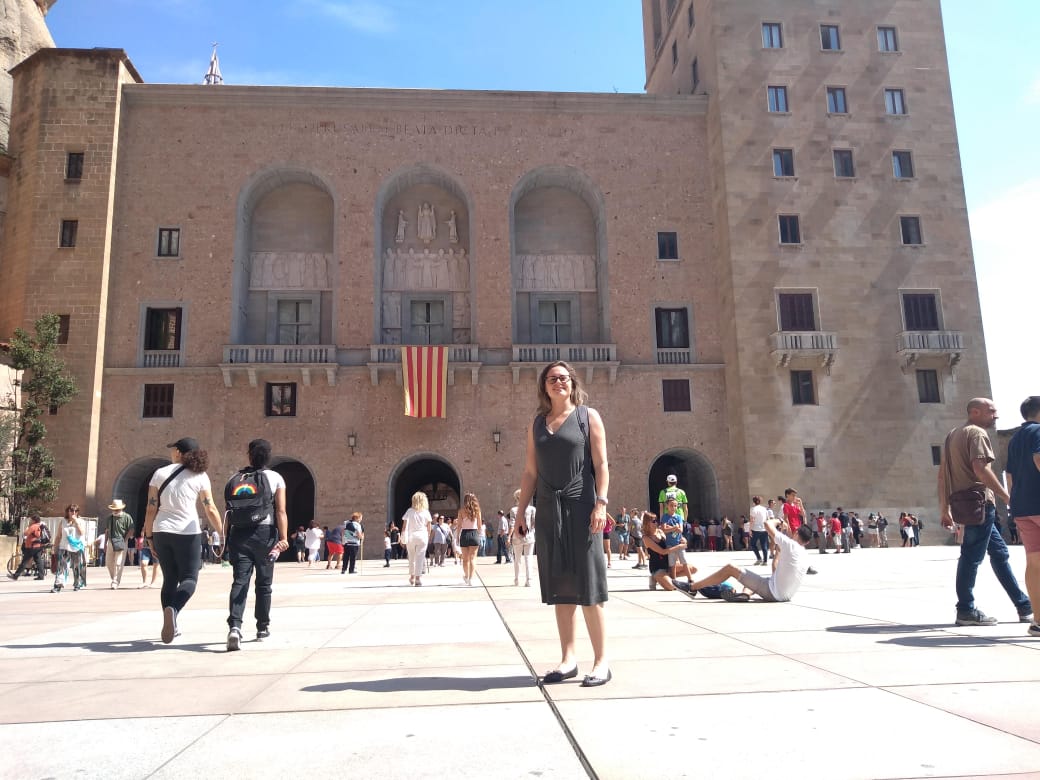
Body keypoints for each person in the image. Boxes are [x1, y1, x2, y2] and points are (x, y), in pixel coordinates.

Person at [515, 361, 611, 688]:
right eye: (552, 378)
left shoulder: (588, 417)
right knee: (561, 586)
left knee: (589, 585)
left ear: (572, 383)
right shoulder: (537, 424)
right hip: (548, 512)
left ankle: (601, 661)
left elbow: (601, 464)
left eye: (564, 378)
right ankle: (568, 659)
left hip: (583, 508)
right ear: (544, 386)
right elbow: (530, 472)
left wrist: (601, 503)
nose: (559, 382)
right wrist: (520, 513)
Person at [939, 398, 1032, 626]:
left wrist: (944, 508)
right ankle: (965, 610)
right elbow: (981, 469)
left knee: (999, 553)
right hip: (979, 504)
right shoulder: (977, 434)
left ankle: (1024, 606)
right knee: (971, 557)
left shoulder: (952, 435)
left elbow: (943, 475)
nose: (996, 415)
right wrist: (1007, 497)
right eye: (991, 411)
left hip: (965, 504)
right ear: (975, 412)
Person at [142, 437, 224, 644]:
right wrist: (222, 533)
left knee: (169, 579)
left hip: (161, 530)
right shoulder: (200, 476)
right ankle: (174, 609)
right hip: (188, 532)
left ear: (178, 452)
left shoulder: (159, 473)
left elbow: (151, 508)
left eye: (173, 450)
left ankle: (172, 623)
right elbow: (210, 507)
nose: (171, 453)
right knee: (189, 579)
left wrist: (149, 535)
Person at [224, 438, 289, 651]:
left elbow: (228, 512)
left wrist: (225, 541)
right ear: (269, 455)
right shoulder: (275, 477)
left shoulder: (235, 477)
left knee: (239, 581)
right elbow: (281, 511)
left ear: (249, 455)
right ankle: (262, 627)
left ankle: (235, 627)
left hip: (239, 534)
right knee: (263, 583)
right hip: (264, 534)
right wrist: (283, 537)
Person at [688, 517, 813, 603]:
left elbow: (767, 524)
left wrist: (779, 521)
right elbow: (775, 573)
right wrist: (778, 554)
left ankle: (692, 588)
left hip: (772, 592)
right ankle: (745, 594)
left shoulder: (790, 544)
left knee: (730, 568)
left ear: (796, 532)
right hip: (785, 595)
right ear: (807, 542)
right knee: (753, 580)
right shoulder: (805, 556)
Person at [1004, 396, 1040, 637]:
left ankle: (1038, 621)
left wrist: (1013, 502)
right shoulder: (1039, 431)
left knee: (1034, 563)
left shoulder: (1015, 438)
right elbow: (1039, 457)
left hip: (1022, 507)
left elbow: (1009, 475)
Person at [99, 499, 134, 589]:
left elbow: (131, 530)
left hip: (121, 541)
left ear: (121, 508)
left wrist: (125, 540)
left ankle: (115, 581)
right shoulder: (109, 518)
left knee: (118, 562)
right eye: (114, 509)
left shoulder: (127, 517)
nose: (115, 511)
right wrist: (105, 544)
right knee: (108, 562)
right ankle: (114, 577)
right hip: (111, 542)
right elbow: (107, 531)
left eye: (117, 509)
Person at [52, 505, 87, 592]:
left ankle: (77, 583)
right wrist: (55, 547)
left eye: (76, 511)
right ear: (68, 511)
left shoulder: (81, 521)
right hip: (64, 547)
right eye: (71, 511)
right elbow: (59, 536)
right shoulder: (63, 521)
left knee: (77, 567)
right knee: (62, 567)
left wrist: (76, 522)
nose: (73, 513)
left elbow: (82, 533)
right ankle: (58, 585)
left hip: (77, 548)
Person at [402, 491, 432, 586]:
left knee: (411, 557)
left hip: (411, 536)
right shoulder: (426, 512)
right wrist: (428, 537)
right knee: (420, 557)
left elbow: (404, 526)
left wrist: (402, 537)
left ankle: (412, 577)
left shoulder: (409, 511)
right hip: (422, 536)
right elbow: (429, 527)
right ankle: (418, 579)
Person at [9, 513, 48, 581]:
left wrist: (29, 526)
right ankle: (41, 576)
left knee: (25, 561)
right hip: (38, 546)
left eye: (31, 520)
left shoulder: (33, 526)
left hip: (32, 547)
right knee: (38, 561)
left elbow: (25, 533)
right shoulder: (40, 526)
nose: (30, 521)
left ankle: (16, 575)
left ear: (34, 520)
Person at [509, 488, 536, 587]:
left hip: (517, 537)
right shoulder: (532, 509)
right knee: (529, 558)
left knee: (517, 559)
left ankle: (517, 580)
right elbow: (534, 524)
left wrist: (509, 536)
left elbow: (512, 525)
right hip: (529, 536)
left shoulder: (513, 510)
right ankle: (529, 580)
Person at [457, 492, 483, 586]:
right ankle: (471, 579)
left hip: (464, 534)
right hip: (474, 534)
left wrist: (457, 536)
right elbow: (479, 526)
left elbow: (459, 525)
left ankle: (466, 576)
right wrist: (480, 536)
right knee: (473, 558)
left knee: (465, 559)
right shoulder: (477, 511)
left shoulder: (461, 511)